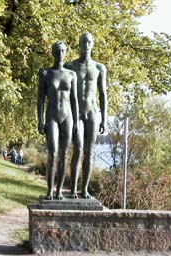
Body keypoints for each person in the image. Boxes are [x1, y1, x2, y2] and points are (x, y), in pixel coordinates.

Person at [64, 33, 108, 199]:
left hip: (92, 112)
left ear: (93, 44)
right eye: (83, 41)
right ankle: (73, 189)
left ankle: (85, 190)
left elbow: (103, 94)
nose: (86, 44)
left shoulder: (99, 68)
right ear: (79, 44)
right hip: (75, 112)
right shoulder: (70, 65)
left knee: (89, 152)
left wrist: (104, 118)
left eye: (89, 41)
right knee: (78, 149)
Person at [37, 41, 79, 200]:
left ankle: (59, 190)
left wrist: (76, 122)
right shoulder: (46, 73)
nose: (60, 54)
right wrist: (40, 120)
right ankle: (50, 190)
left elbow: (74, 99)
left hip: (67, 116)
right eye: (57, 51)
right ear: (52, 53)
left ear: (65, 52)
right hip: (52, 116)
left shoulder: (71, 74)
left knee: (64, 153)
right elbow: (40, 99)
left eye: (62, 51)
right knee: (52, 153)